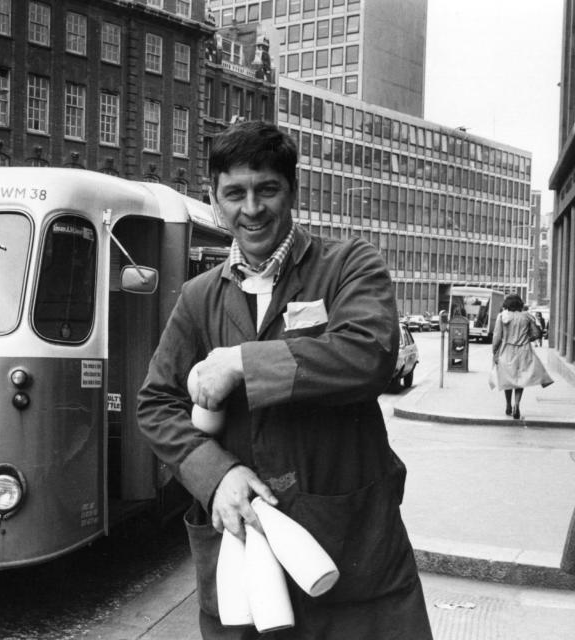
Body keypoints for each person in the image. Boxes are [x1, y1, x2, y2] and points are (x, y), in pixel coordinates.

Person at [137, 122, 432, 639]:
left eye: (267, 189)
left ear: (292, 191)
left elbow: (370, 354)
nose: (251, 209)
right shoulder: (198, 297)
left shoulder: (349, 265)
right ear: (214, 200)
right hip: (246, 560)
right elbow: (156, 405)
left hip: (351, 556)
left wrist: (241, 364)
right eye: (234, 194)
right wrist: (215, 475)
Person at [490, 294, 553, 419]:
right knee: (520, 379)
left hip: (507, 350)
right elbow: (537, 333)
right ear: (520, 304)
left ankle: (508, 404)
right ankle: (517, 405)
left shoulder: (502, 317)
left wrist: (494, 351)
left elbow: (497, 336)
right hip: (524, 350)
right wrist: (527, 339)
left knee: (508, 379)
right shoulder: (527, 317)